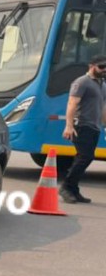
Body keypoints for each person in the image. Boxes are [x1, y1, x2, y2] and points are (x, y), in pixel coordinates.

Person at [60, 55, 106, 203]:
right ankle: (66, 187)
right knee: (85, 157)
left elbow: (102, 107)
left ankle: (73, 189)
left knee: (84, 157)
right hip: (82, 125)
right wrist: (69, 126)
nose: (104, 70)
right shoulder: (81, 82)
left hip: (94, 126)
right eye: (101, 67)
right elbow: (72, 103)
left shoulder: (102, 85)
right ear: (91, 66)